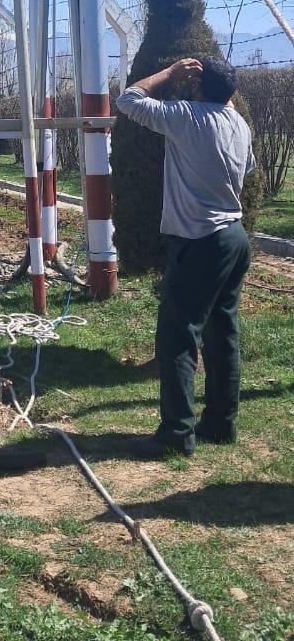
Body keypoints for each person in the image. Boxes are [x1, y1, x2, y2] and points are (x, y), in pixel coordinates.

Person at [116, 57, 255, 459]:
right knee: (222, 333)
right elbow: (247, 168)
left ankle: (176, 434)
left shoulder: (187, 118)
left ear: (197, 86)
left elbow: (128, 100)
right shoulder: (239, 125)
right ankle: (221, 423)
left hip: (199, 240)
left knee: (178, 337)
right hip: (234, 237)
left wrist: (169, 75)